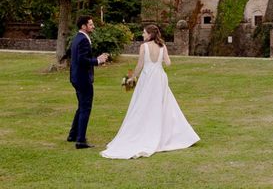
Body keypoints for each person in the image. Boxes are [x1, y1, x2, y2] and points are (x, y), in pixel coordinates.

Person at [101, 24, 199, 159]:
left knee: (143, 104)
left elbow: (140, 65)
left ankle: (145, 131)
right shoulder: (162, 46)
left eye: (144, 33)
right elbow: (168, 63)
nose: (142, 35)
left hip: (147, 77)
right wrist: (163, 57)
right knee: (162, 105)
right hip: (159, 77)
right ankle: (172, 133)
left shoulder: (144, 47)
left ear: (150, 34)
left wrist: (131, 78)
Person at [68, 15, 109, 149]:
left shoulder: (78, 38)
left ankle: (73, 135)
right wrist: (98, 61)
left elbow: (80, 58)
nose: (93, 26)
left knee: (81, 106)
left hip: (76, 77)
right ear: (83, 26)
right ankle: (80, 141)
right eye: (90, 24)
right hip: (82, 79)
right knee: (85, 107)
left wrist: (96, 59)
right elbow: (82, 60)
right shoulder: (83, 40)